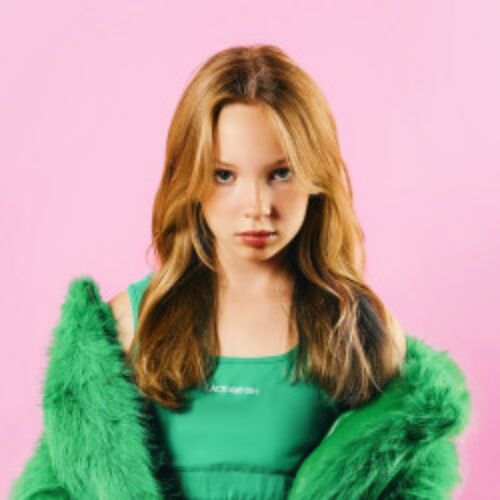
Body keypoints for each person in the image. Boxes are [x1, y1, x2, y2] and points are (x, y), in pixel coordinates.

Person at [10, 44, 472, 500]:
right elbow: (61, 481)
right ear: (189, 179)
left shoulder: (355, 328)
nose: (257, 206)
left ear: (316, 177)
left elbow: (406, 480)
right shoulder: (129, 324)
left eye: (281, 173)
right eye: (224, 175)